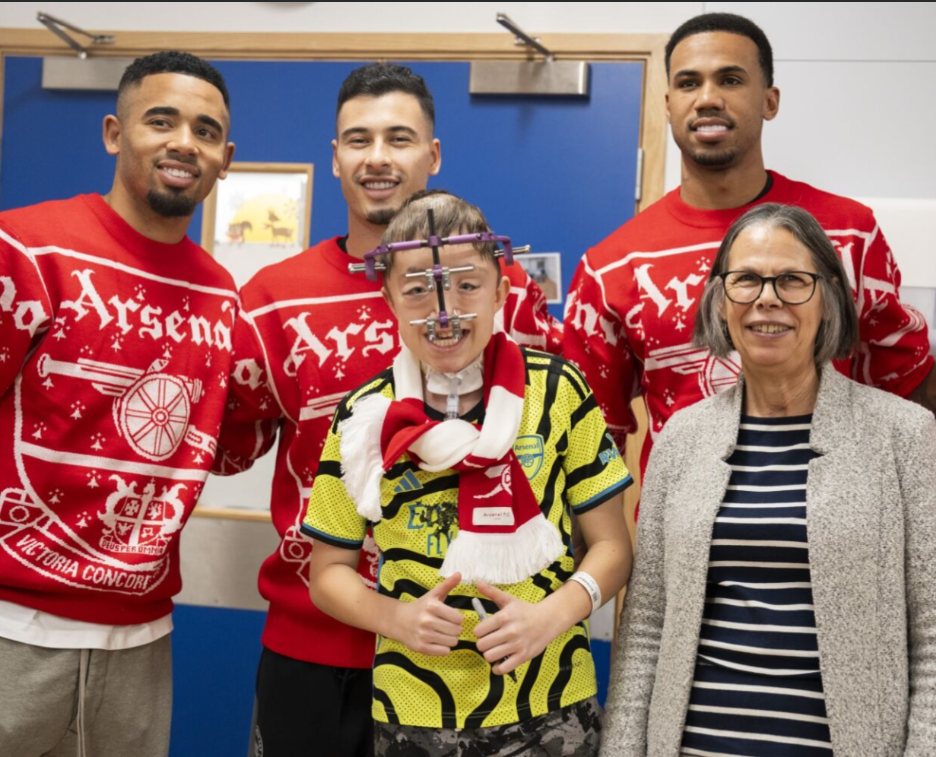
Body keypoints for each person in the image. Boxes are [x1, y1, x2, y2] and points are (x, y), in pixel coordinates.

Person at [214, 63, 562, 757]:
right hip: (313, 643)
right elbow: (226, 441)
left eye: (399, 138)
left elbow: (555, 440)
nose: (377, 157)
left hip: (467, 650)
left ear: (432, 155)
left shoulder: (503, 290)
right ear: (335, 157)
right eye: (358, 139)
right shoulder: (274, 298)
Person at [603, 203, 936, 757]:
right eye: (746, 279)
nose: (767, 298)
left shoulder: (902, 435)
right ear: (720, 301)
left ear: (827, 300)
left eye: (792, 281)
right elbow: (647, 626)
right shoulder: (681, 439)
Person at [564, 12, 936, 486]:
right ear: (667, 103)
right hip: (688, 537)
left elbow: (902, 386)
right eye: (688, 83)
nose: (707, 98)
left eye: (730, 79)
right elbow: (589, 443)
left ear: (770, 100)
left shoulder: (847, 234)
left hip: (837, 524)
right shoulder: (612, 266)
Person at [301, 190, 633, 756]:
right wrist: (396, 618)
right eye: (417, 291)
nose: (444, 310)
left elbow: (614, 548)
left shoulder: (558, 392)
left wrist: (551, 616)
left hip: (552, 700)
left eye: (466, 285)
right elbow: (327, 572)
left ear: (502, 289)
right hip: (415, 708)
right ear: (388, 300)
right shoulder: (365, 417)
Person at [0, 52, 236, 755]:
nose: (183, 142)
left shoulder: (221, 295)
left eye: (205, 128)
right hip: (13, 625)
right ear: (113, 132)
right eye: (160, 120)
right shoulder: (26, 247)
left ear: (226, 155)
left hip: (143, 635)